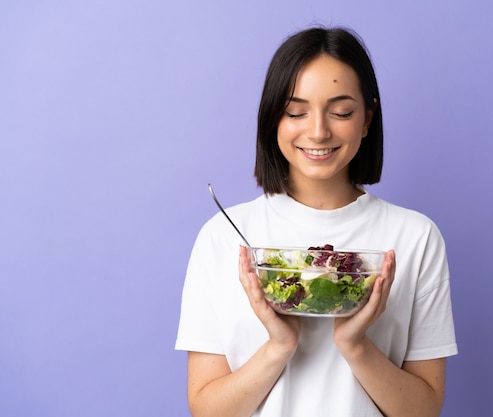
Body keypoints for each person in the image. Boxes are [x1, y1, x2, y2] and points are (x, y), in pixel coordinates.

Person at [175, 26, 457, 417]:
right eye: (295, 112)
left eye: (341, 112)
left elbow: (424, 410)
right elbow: (206, 409)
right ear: (274, 118)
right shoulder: (223, 237)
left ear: (367, 119)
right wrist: (278, 346)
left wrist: (356, 345)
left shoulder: (415, 237)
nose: (319, 131)